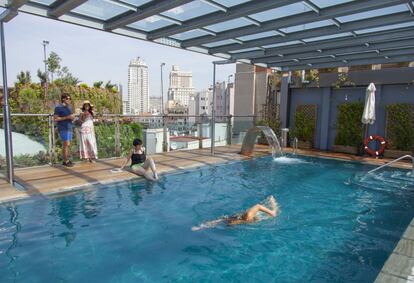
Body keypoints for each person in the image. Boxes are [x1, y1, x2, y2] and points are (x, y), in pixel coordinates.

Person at [192, 196, 279, 231]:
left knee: (220, 220)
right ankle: (273, 211)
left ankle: (272, 209)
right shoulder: (247, 216)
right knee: (259, 208)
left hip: (245, 220)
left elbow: (216, 222)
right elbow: (258, 206)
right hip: (246, 219)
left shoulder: (228, 220)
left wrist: (200, 227)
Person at [54, 94, 74, 167]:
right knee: (66, 144)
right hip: (63, 128)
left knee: (68, 145)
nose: (69, 100)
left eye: (70, 99)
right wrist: (67, 117)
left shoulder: (69, 108)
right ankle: (65, 161)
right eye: (68, 98)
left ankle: (67, 160)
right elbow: (55, 119)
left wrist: (72, 117)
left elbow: (71, 117)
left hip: (69, 127)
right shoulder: (58, 108)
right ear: (63, 99)